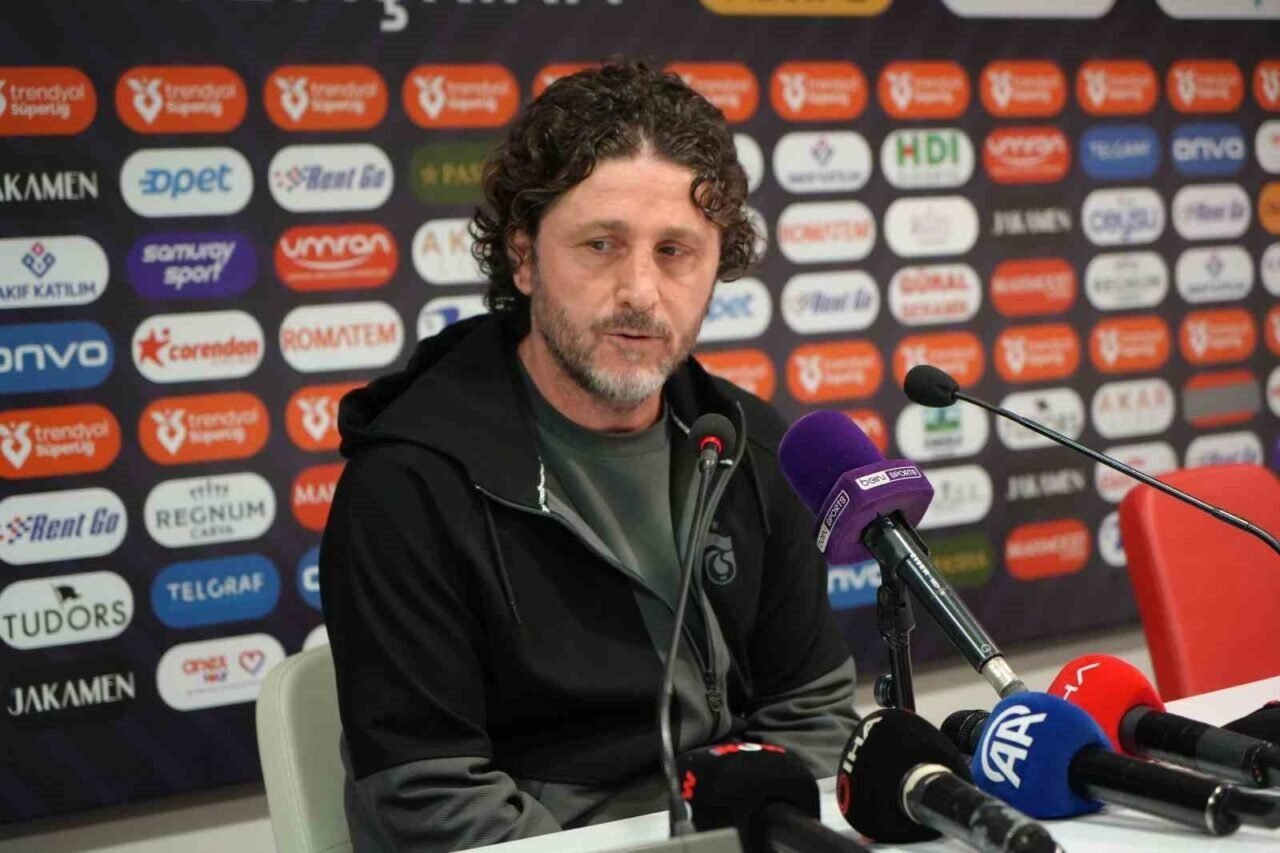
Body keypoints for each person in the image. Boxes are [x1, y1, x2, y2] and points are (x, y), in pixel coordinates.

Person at [320, 61, 858, 852]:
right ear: (524, 255)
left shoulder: (749, 442)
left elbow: (812, 714)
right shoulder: (409, 485)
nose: (640, 289)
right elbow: (429, 798)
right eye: (602, 244)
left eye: (675, 250)